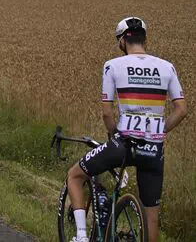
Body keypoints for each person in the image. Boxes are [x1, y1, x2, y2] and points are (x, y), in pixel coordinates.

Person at [64, 17, 186, 242]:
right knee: (151, 216)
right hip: (154, 149)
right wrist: (158, 132)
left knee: (74, 175)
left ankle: (81, 236)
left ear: (122, 41)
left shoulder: (113, 65)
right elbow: (181, 110)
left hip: (123, 145)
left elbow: (107, 113)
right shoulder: (167, 67)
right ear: (144, 38)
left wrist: (113, 136)